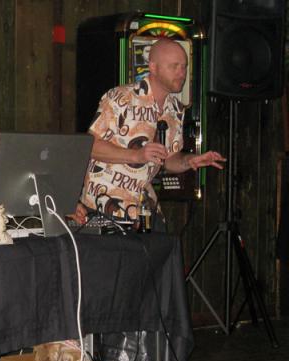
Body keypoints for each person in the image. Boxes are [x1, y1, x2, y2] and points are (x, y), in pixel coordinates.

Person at [73, 38, 225, 227]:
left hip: (143, 208)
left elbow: (168, 159)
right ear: (153, 67)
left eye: (184, 67)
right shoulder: (121, 98)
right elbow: (90, 146)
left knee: (165, 244)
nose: (182, 73)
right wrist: (136, 155)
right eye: (174, 66)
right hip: (105, 205)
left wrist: (189, 161)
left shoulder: (176, 109)